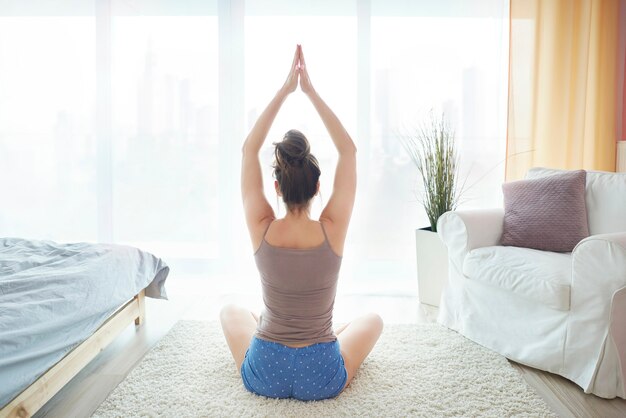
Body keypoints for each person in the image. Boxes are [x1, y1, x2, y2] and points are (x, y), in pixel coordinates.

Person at [220, 44, 383, 401]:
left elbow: (249, 150)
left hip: (265, 371)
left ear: (276, 187)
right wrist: (309, 91)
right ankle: (325, 334)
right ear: (318, 187)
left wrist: (284, 91)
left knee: (232, 310)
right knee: (372, 320)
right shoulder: (331, 229)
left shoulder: (261, 225)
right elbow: (349, 152)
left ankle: (275, 331)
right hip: (320, 374)